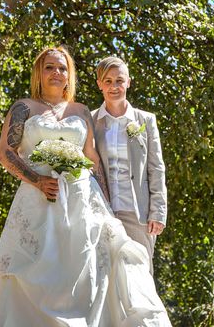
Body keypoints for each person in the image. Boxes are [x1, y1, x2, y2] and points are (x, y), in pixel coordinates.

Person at [0, 47, 171, 327]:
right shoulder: (24, 108)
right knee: (36, 271)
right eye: (50, 67)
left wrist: (107, 207)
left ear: (69, 75)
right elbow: (6, 152)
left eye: (62, 68)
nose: (57, 73)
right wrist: (38, 180)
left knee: (102, 263)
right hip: (38, 200)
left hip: (83, 200)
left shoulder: (80, 111)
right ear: (39, 73)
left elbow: (93, 160)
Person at [92, 57, 167, 275]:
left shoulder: (146, 120)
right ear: (99, 84)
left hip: (138, 212)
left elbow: (156, 168)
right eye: (108, 81)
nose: (114, 86)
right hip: (102, 211)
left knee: (139, 274)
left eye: (119, 80)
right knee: (105, 275)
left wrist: (158, 212)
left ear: (128, 83)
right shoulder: (91, 120)